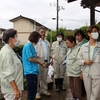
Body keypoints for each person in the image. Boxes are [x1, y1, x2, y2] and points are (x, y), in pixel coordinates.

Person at [22, 31, 47, 100]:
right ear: (34, 38)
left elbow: (32, 56)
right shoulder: (27, 46)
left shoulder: (31, 45)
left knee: (33, 91)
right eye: (38, 38)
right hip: (30, 71)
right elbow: (30, 59)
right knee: (32, 92)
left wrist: (37, 57)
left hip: (33, 71)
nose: (38, 40)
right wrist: (39, 62)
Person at [77, 25, 100, 100]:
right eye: (94, 31)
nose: (96, 33)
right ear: (89, 33)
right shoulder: (83, 47)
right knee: (89, 94)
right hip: (86, 74)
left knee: (95, 94)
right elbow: (78, 60)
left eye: (97, 31)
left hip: (97, 74)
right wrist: (84, 61)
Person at [0, 29, 23, 100]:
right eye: (16, 36)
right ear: (11, 39)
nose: (18, 39)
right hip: (11, 90)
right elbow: (8, 73)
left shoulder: (10, 51)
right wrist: (15, 89)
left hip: (13, 88)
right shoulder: (6, 52)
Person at [35, 27, 52, 99]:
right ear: (38, 33)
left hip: (46, 63)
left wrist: (50, 59)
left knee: (44, 78)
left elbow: (49, 52)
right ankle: (37, 92)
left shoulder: (47, 42)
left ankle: (44, 90)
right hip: (38, 63)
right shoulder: (35, 42)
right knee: (38, 78)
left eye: (44, 32)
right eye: (41, 32)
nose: (43, 33)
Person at [65, 36, 82, 100]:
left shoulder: (79, 49)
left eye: (67, 43)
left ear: (73, 42)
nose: (67, 45)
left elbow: (81, 61)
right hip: (70, 71)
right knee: (72, 87)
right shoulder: (70, 49)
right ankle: (74, 97)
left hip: (76, 72)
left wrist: (81, 72)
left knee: (77, 88)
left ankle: (78, 98)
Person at [74, 29, 88, 96]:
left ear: (82, 35)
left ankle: (83, 93)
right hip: (79, 63)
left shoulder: (85, 43)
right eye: (76, 36)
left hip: (84, 64)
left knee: (83, 79)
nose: (77, 37)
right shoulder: (78, 43)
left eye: (79, 35)